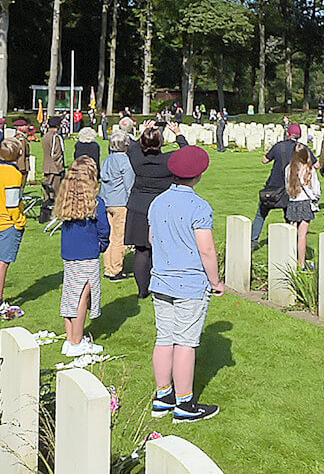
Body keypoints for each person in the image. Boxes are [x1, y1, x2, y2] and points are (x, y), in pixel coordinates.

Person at [149, 145, 225, 424]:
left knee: (164, 338)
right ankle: (184, 404)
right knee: (185, 343)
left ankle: (162, 396)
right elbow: (207, 250)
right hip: (189, 284)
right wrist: (215, 281)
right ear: (199, 175)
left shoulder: (157, 202)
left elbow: (152, 237)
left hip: (161, 280)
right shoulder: (199, 206)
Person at [54, 156, 110, 357]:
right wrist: (102, 245)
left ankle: (70, 339)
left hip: (69, 253)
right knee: (82, 298)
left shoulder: (66, 202)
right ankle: (77, 343)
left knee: (70, 294)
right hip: (87, 254)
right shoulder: (96, 203)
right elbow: (104, 230)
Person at [126, 123, 179, 298]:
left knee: (142, 250)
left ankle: (142, 291)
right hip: (161, 208)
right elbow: (188, 152)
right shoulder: (168, 160)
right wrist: (178, 133)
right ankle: (161, 287)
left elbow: (132, 146)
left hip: (138, 206)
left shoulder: (136, 158)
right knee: (162, 249)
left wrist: (144, 132)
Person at [0, 137, 29, 320]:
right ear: (20, 153)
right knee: (3, 263)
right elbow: (12, 203)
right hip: (7, 222)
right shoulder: (13, 174)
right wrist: (19, 220)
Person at [251, 122, 300, 248]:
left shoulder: (279, 146)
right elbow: (315, 164)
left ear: (288, 134)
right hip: (290, 187)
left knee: (261, 214)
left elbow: (265, 160)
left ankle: (253, 240)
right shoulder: (301, 148)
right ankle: (293, 241)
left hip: (273, 186)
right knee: (290, 216)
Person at [100, 130, 135, 281]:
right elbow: (129, 185)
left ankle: (109, 267)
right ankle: (115, 270)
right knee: (119, 237)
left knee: (109, 235)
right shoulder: (125, 161)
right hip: (120, 202)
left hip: (106, 200)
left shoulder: (108, 159)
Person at [286, 143, 321, 269]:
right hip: (305, 202)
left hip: (292, 201)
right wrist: (316, 199)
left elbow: (286, 187)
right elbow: (316, 190)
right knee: (302, 235)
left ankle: (290, 260)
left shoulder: (288, 169)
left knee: (292, 233)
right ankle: (301, 263)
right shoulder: (310, 170)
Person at [40, 118, 66, 224]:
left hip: (47, 166)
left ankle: (46, 214)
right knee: (55, 192)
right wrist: (61, 169)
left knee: (47, 192)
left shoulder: (45, 136)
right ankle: (54, 214)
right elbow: (56, 154)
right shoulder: (56, 137)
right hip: (54, 168)